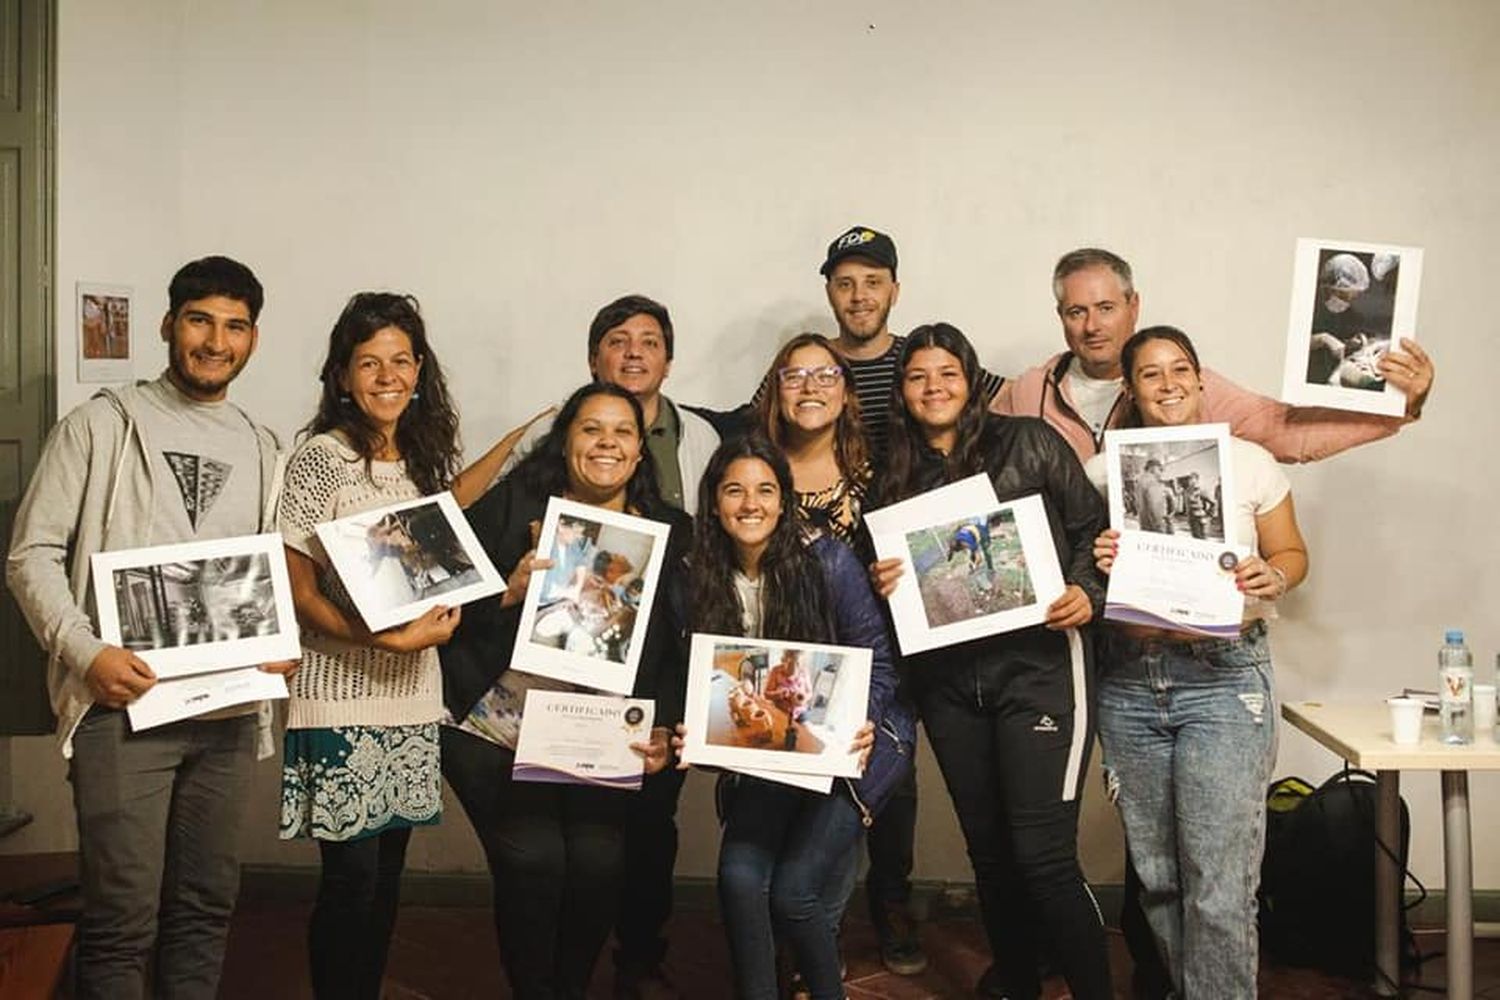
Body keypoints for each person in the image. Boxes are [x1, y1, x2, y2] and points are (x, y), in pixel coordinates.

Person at [6, 256, 294, 999]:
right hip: (122, 708)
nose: (215, 340)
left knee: (204, 909)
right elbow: (30, 554)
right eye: (200, 319)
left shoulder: (265, 445)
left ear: (253, 339)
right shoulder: (99, 426)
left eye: (235, 326)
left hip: (228, 715)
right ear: (169, 325)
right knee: (121, 920)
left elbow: (265, 574)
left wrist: (275, 646)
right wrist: (85, 651)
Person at [870, 323, 1112, 1000]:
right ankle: (1019, 985)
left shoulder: (1027, 441)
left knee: (1044, 860)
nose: (933, 387)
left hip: (1040, 672)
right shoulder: (892, 474)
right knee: (991, 857)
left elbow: (1092, 529)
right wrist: (883, 580)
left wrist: (1085, 593)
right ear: (903, 392)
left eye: (947, 373)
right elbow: (892, 582)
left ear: (970, 380)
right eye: (917, 377)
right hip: (949, 686)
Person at [439, 382, 692, 999]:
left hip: (604, 732)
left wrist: (668, 724)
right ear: (565, 441)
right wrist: (508, 590)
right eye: (590, 429)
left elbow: (682, 644)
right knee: (535, 862)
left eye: (622, 432)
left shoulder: (672, 532)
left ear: (640, 453)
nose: (606, 442)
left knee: (601, 865)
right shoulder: (513, 507)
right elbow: (432, 595)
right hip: (497, 723)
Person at [1087, 326, 1309, 998]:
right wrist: (1095, 561)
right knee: (1159, 878)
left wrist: (1273, 575)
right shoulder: (1101, 474)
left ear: (1200, 378)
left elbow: (1293, 556)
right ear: (1129, 389)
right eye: (1150, 374)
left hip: (1224, 679)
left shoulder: (1250, 463)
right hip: (1130, 680)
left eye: (1179, 369)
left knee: (1218, 881)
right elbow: (1075, 579)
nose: (1168, 384)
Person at [276, 292, 474, 1000]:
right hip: (339, 694)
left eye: (400, 360)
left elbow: (426, 578)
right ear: (341, 375)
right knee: (351, 880)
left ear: (419, 370)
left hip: (413, 696)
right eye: (369, 362)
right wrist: (380, 640)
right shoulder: (319, 460)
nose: (386, 376)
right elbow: (299, 593)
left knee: (389, 877)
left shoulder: (422, 462)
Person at [675, 437, 915, 1000]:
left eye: (765, 490)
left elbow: (879, 660)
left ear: (784, 502)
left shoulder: (826, 559)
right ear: (714, 503)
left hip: (860, 744)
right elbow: (697, 680)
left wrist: (862, 717)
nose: (750, 503)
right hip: (770, 752)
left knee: (795, 892)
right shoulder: (695, 576)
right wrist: (691, 726)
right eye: (734, 490)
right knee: (737, 879)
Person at [989, 246, 1436, 462]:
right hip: (1073, 610)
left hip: (1162, 615)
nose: (1092, 325)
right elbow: (944, 417)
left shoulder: (1188, 387)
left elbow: (1288, 433)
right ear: (1060, 316)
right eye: (1076, 311)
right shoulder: (1030, 392)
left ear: (1134, 306)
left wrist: (1396, 407)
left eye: (1106, 308)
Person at [1135, 459, 1173, 534]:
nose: (1161, 474)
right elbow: (1156, 510)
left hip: (1145, 526)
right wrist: (1161, 529)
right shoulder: (1153, 482)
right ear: (1153, 468)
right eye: (1160, 470)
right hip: (1156, 529)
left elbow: (1138, 505)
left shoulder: (1140, 482)